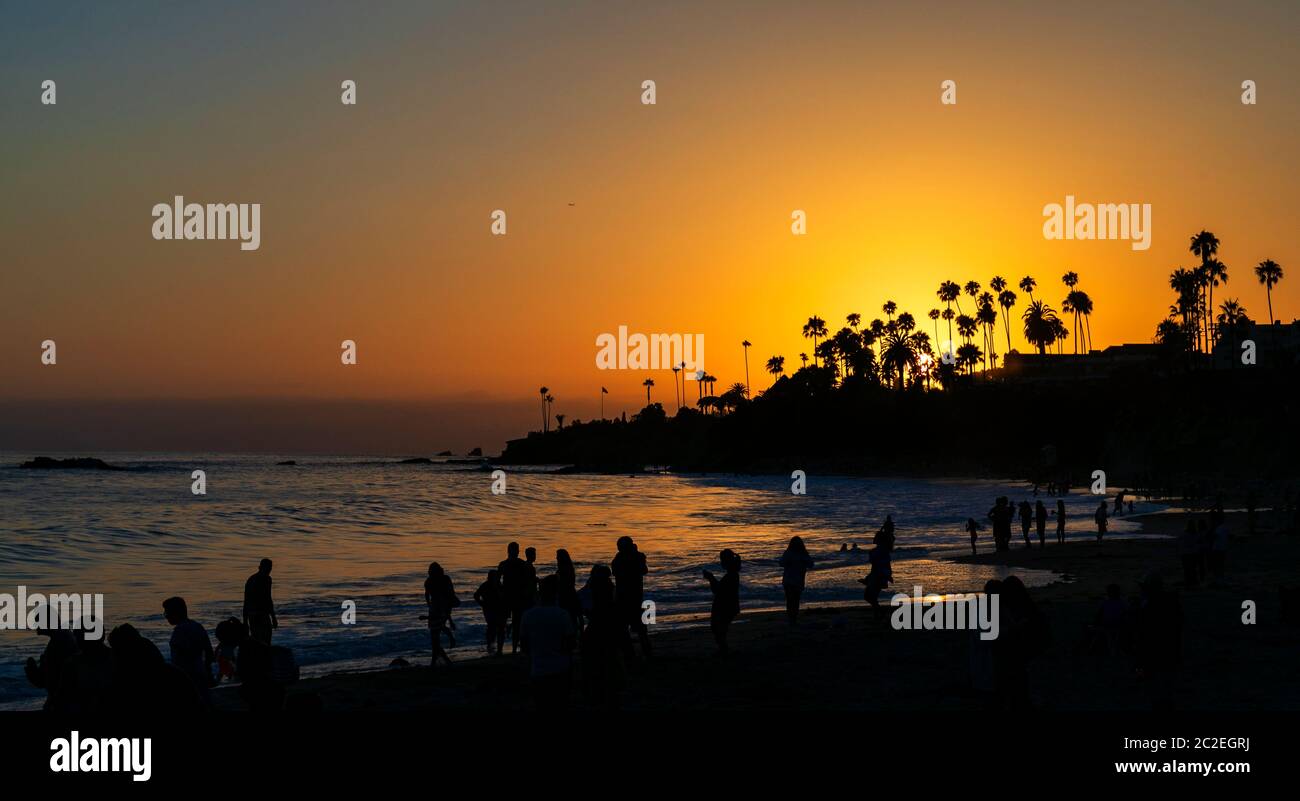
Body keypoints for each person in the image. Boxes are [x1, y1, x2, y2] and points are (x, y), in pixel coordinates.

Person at [519, 575, 576, 710]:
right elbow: (570, 644)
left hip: (538, 669)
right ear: (556, 593)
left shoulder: (527, 615)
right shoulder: (563, 614)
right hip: (561, 668)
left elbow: (524, 647)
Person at [162, 596, 215, 703]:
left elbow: (180, 658)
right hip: (200, 673)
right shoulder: (197, 626)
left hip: (187, 677)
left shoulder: (179, 631)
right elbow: (209, 652)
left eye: (167, 613)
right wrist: (208, 673)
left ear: (175, 613)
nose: (166, 616)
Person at [611, 536, 653, 660]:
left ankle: (631, 655)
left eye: (619, 546)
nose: (618, 548)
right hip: (635, 597)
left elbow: (615, 572)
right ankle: (646, 653)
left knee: (625, 629)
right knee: (640, 630)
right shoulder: (638, 556)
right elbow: (644, 570)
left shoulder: (620, 558)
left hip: (624, 598)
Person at [498, 542, 535, 653]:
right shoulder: (507, 564)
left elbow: (528, 580)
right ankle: (503, 649)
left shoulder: (517, 564)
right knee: (506, 624)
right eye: (515, 550)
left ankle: (511, 649)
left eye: (517, 550)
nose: (517, 552)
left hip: (516, 597)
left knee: (515, 624)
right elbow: (497, 580)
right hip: (510, 597)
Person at [703, 549, 742, 654]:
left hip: (724, 607)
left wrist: (711, 578)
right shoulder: (733, 575)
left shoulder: (730, 576)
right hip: (730, 606)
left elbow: (718, 590)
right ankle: (723, 649)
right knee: (721, 629)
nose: (721, 563)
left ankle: (724, 650)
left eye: (722, 560)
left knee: (718, 628)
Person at [423, 562, 459, 666]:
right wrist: (429, 605)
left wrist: (429, 605)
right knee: (436, 635)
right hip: (439, 607)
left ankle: (436, 660)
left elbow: (427, 594)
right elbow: (451, 593)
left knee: (435, 636)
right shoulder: (443, 579)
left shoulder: (430, 581)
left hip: (437, 607)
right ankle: (440, 659)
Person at [779, 536, 814, 626]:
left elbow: (811, 564)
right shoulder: (801, 553)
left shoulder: (794, 553)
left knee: (792, 600)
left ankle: (792, 619)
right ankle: (792, 619)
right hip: (793, 581)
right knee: (793, 600)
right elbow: (781, 563)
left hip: (793, 581)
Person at [242, 558, 278, 645]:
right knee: (257, 642)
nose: (269, 570)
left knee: (266, 640)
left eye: (270, 568)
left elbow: (268, 598)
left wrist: (273, 617)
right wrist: (245, 622)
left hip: (263, 614)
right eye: (267, 568)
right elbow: (246, 601)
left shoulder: (268, 579)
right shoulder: (253, 580)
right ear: (260, 568)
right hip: (254, 615)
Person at [473, 569, 507, 655]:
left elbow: (503, 598)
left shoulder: (499, 585)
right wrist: (482, 604)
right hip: (490, 610)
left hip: (499, 610)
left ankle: (498, 649)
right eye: (496, 577)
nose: (498, 578)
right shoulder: (486, 585)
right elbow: (476, 595)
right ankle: (491, 647)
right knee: (493, 628)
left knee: (499, 629)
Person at [859, 540, 893, 618]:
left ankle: (879, 613)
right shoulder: (882, 553)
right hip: (877, 577)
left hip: (878, 578)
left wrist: (887, 576)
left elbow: (883, 567)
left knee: (868, 596)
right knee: (871, 597)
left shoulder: (881, 553)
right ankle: (878, 612)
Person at [555, 549, 583, 630]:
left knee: (567, 616)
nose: (556, 558)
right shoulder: (569, 568)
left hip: (565, 596)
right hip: (571, 594)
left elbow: (561, 584)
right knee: (574, 615)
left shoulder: (562, 570)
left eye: (557, 556)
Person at [1179, 520, 1201, 587]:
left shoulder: (1185, 534)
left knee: (1187, 569)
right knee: (1192, 569)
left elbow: (1181, 542)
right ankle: (1193, 582)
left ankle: (1188, 582)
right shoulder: (1196, 534)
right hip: (1193, 553)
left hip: (1186, 553)